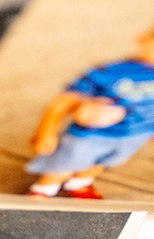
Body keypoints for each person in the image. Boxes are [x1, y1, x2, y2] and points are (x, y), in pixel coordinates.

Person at [26, 26, 154, 199]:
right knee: (64, 166)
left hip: (132, 137)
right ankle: (43, 190)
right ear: (143, 39)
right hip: (92, 136)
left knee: (99, 164)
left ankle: (79, 184)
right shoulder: (110, 71)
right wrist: (46, 131)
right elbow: (64, 100)